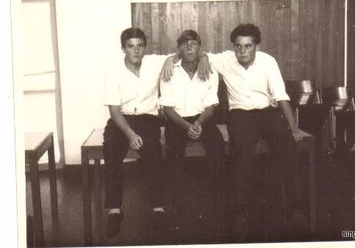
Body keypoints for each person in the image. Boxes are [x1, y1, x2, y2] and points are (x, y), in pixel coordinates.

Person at [199, 23, 311, 241]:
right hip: (240, 115)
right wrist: (203, 58)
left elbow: (281, 96)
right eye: (238, 46)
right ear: (234, 46)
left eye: (248, 46)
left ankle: (296, 208)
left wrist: (294, 128)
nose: (242, 51)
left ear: (256, 46)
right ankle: (240, 212)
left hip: (267, 113)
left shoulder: (268, 62)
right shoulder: (226, 59)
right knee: (242, 155)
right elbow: (205, 55)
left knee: (288, 148)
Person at [102, 27, 183, 238]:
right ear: (123, 49)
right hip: (122, 119)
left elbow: (181, 53)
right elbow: (114, 110)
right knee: (111, 149)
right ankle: (114, 210)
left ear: (144, 47)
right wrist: (129, 134)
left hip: (148, 118)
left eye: (139, 46)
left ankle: (158, 208)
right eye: (130, 47)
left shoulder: (154, 62)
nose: (136, 51)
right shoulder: (114, 73)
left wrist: (169, 60)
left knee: (154, 152)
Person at [160, 30, 224, 238]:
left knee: (217, 147)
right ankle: (175, 207)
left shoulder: (209, 71)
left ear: (199, 47)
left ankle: (218, 203)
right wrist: (186, 127)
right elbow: (168, 109)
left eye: (193, 44)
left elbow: (211, 106)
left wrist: (198, 123)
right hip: (177, 120)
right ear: (179, 48)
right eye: (185, 44)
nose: (189, 47)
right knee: (174, 155)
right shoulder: (170, 70)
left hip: (202, 118)